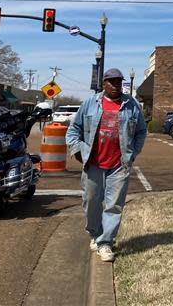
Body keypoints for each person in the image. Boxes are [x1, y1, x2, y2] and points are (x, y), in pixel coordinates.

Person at [66, 68, 147, 263]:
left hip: (119, 165)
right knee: (91, 200)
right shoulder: (90, 103)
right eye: (111, 81)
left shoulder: (131, 105)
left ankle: (105, 242)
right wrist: (77, 150)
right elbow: (73, 129)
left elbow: (141, 132)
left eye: (118, 81)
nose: (116, 85)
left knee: (114, 205)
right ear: (104, 84)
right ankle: (95, 233)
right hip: (93, 163)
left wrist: (133, 152)